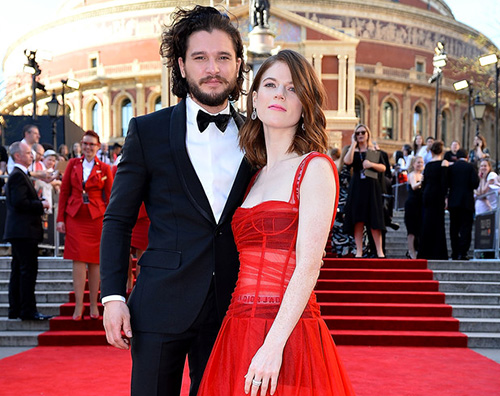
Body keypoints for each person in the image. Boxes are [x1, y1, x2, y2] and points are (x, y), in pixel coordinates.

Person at [99, 6, 253, 396]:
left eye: (222, 57)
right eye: (200, 57)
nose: (212, 68)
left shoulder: (258, 138)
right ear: (182, 66)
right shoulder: (147, 131)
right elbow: (117, 219)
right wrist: (113, 296)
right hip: (160, 303)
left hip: (231, 308)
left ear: (238, 65)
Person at [197, 48, 355, 396]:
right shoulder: (252, 177)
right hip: (237, 327)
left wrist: (272, 346)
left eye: (293, 88)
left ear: (304, 104)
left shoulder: (314, 168)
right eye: (270, 84)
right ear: (254, 99)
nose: (281, 93)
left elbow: (309, 265)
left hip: (289, 332)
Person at [56, 131, 113, 321]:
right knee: (78, 261)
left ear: (98, 147)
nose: (88, 147)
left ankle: (94, 304)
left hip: (96, 217)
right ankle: (79, 305)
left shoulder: (104, 168)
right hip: (75, 216)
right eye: (85, 144)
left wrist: (111, 220)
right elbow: (64, 192)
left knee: (95, 262)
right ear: (82, 145)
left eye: (92, 145)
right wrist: (60, 219)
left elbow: (111, 195)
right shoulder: (72, 164)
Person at [4, 141, 52, 320]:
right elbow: (20, 202)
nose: (32, 155)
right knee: (27, 271)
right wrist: (41, 204)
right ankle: (27, 310)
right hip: (24, 231)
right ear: (18, 156)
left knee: (19, 270)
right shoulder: (18, 176)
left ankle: (16, 309)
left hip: (20, 231)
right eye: (28, 153)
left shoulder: (19, 174)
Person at [343, 124, 386, 258]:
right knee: (358, 219)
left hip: (372, 186)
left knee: (374, 219)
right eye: (357, 133)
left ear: (368, 134)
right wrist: (352, 144)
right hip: (357, 187)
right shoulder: (353, 150)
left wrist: (371, 164)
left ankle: (380, 251)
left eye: (362, 132)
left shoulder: (373, 150)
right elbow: (347, 161)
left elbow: (383, 168)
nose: (360, 135)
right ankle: (359, 251)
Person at [418, 140, 449, 260]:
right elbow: (444, 182)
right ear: (442, 151)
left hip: (427, 195)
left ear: (431, 151)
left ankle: (425, 252)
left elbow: (424, 182)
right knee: (438, 223)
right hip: (437, 196)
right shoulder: (443, 164)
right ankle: (438, 253)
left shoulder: (429, 165)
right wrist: (445, 197)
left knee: (426, 223)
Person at [447, 149, 479, 260]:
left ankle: (454, 253)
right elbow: (475, 184)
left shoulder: (452, 168)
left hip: (453, 202)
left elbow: (447, 183)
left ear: (456, 157)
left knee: (454, 228)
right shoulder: (471, 167)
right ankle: (463, 253)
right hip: (466, 202)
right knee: (466, 228)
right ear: (467, 157)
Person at [404, 156, 424, 259]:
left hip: (420, 205)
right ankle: (411, 251)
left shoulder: (422, 175)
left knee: (418, 229)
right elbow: (414, 186)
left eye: (421, 162)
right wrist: (423, 181)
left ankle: (416, 250)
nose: (420, 164)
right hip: (412, 204)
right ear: (413, 164)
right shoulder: (412, 174)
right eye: (418, 162)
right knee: (411, 230)